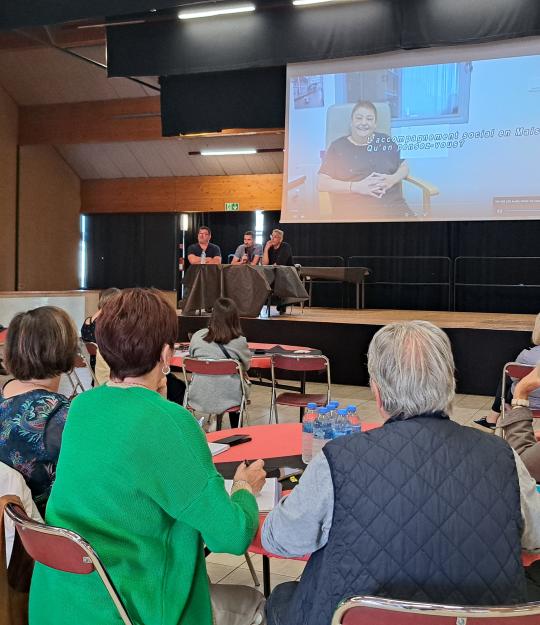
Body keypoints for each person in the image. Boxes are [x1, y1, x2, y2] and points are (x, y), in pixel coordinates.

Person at [262, 321, 540, 625]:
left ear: (377, 394)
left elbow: (279, 540)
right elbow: (534, 538)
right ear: (450, 383)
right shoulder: (504, 457)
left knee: (284, 597)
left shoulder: (337, 460)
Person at [29, 288, 266, 625]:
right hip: (132, 611)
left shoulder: (81, 407)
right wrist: (244, 488)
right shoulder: (170, 422)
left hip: (61, 604)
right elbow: (231, 536)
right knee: (258, 606)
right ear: (166, 354)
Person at [0, 306, 79, 515]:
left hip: (9, 530)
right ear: (65, 350)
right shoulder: (62, 416)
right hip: (48, 534)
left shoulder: (4, 395)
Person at [318, 100, 409, 217]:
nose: (364, 123)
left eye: (369, 119)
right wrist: (356, 187)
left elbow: (404, 166)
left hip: (393, 208)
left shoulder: (385, 141)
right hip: (354, 212)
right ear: (351, 122)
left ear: (375, 124)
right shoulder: (337, 146)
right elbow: (322, 183)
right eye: (359, 118)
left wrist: (392, 179)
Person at [187, 298, 251, 429]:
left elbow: (192, 358)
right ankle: (236, 430)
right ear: (235, 318)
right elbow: (246, 367)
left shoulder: (197, 336)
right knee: (236, 384)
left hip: (198, 395)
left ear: (213, 315)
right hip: (230, 397)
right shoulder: (239, 341)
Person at [475, 312, 540, 429]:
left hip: (525, 403)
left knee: (508, 376)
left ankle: (494, 416)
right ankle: (496, 415)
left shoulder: (526, 355)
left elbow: (513, 378)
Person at [498, 363, 540, 482]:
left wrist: (521, 391)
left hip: (530, 403)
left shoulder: (526, 355)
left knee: (507, 383)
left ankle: (495, 413)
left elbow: (522, 466)